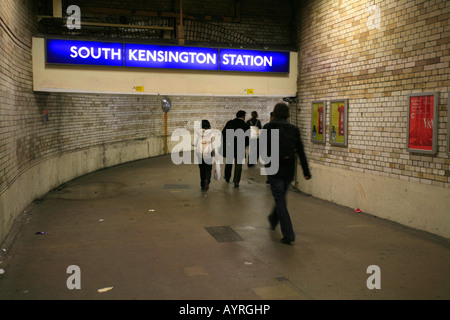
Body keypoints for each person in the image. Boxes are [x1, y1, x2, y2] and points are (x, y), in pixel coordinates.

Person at [263, 102, 311, 245]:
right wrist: (306, 171)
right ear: (288, 114)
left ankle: (288, 234)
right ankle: (273, 219)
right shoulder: (293, 129)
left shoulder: (268, 127)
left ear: (275, 113)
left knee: (280, 200)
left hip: (274, 169)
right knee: (281, 197)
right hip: (289, 170)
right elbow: (300, 151)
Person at [222, 110, 250, 188]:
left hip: (230, 146)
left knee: (229, 163)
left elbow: (223, 133)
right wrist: (246, 144)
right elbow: (248, 137)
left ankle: (227, 177)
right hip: (240, 147)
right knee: (238, 165)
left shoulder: (230, 123)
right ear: (243, 116)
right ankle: (236, 181)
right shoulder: (245, 125)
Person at [194, 120, 215, 191]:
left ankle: (202, 183)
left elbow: (193, 143)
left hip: (200, 154)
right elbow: (213, 143)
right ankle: (207, 181)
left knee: (202, 169)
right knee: (208, 169)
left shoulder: (197, 133)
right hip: (208, 153)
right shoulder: (211, 133)